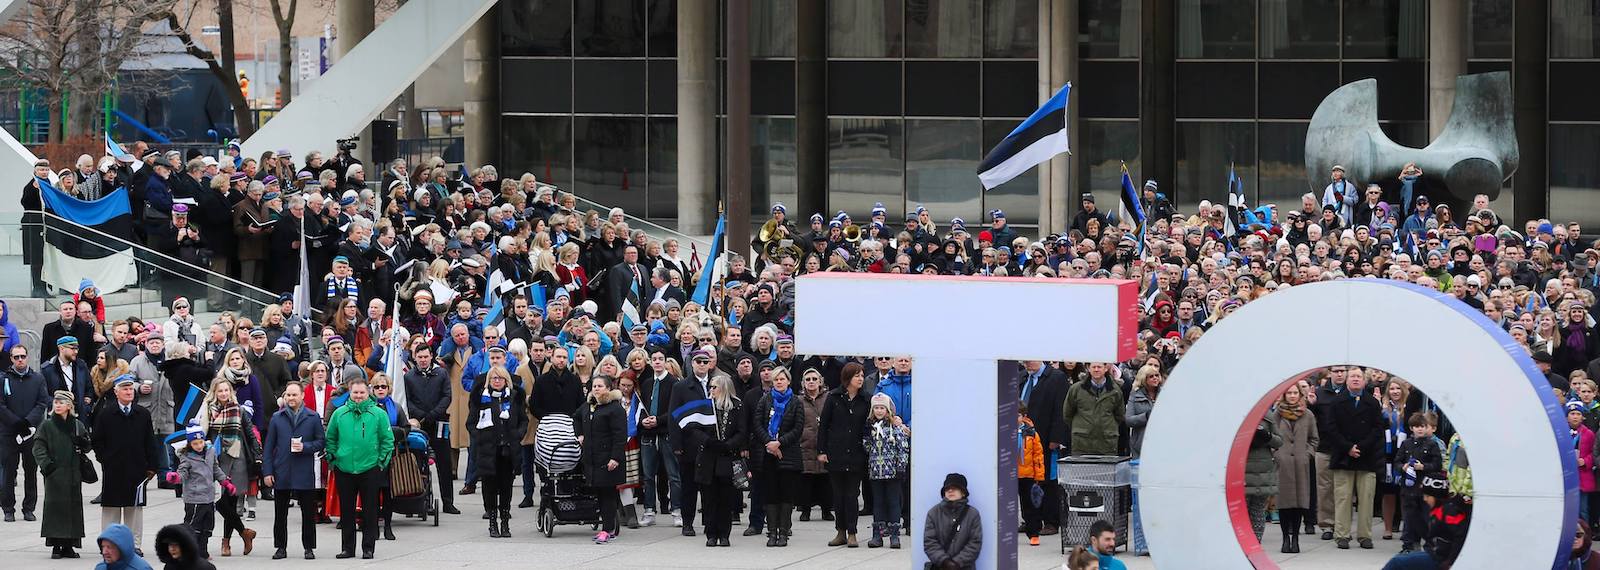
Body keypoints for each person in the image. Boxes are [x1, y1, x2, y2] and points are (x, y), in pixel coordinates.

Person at [92, 374, 163, 557]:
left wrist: (152, 466)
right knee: (111, 509)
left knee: (134, 510)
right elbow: (97, 441)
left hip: (137, 469)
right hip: (114, 468)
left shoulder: (142, 414)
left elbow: (150, 442)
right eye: (125, 389)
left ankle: (134, 545)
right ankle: (109, 545)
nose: (129, 392)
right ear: (116, 392)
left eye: (131, 389)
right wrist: (105, 459)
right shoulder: (106, 413)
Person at [325, 378, 393, 559]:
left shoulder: (378, 414)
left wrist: (380, 464)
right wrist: (333, 458)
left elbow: (387, 441)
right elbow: (330, 438)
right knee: (346, 511)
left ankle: (368, 548)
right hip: (344, 468)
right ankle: (348, 548)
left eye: (362, 393)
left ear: (367, 393)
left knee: (370, 511)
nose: (358, 396)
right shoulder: (339, 414)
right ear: (350, 392)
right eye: (355, 392)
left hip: (369, 468)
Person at [261, 381, 326, 560]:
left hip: (304, 471)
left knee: (307, 513)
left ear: (302, 396)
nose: (291, 398)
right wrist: (267, 472)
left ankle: (309, 547)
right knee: (280, 513)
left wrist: (305, 446)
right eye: (288, 395)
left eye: (294, 395)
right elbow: (268, 447)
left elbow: (321, 442)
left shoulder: (312, 417)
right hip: (282, 471)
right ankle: (280, 547)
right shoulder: (277, 417)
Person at [197, 377, 258, 557]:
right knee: (219, 502)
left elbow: (249, 433)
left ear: (230, 392)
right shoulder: (208, 410)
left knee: (230, 502)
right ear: (214, 393)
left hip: (237, 457)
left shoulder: (239, 410)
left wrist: (258, 455)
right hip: (216, 459)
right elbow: (201, 433)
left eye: (226, 390)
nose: (223, 394)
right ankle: (244, 532)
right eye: (220, 391)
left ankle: (226, 543)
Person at [1327, 366, 1384, 550]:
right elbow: (1331, 429)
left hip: (1366, 458)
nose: (1355, 379)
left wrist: (1361, 447)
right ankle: (1342, 535)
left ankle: (1365, 536)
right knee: (1343, 498)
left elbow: (1377, 429)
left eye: (1359, 376)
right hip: (1343, 457)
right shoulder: (1336, 402)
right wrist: (1348, 448)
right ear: (1346, 379)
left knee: (1367, 499)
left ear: (1364, 380)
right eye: (1352, 376)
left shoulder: (1373, 403)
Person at [468, 365, 527, 539]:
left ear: (506, 380)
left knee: (506, 488)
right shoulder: (481, 399)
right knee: (489, 488)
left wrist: (517, 434)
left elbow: (523, 420)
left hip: (507, 450)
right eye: (494, 378)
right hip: (488, 450)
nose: (497, 381)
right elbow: (471, 422)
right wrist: (479, 436)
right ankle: (492, 522)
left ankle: (505, 523)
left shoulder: (514, 397)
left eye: (500, 378)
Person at [402, 343, 459, 515]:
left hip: (440, 422)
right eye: (420, 357)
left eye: (426, 356)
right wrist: (421, 415)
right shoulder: (409, 377)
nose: (423, 360)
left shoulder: (441, 373)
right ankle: (419, 502)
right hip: (419, 425)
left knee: (444, 464)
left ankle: (448, 502)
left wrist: (434, 413)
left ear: (431, 355)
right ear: (415, 358)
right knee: (418, 464)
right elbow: (407, 400)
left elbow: (447, 396)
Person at [819, 361, 870, 548]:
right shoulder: (833, 397)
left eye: (862, 376)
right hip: (836, 453)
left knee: (852, 495)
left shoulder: (866, 399)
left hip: (856, 454)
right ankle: (840, 531)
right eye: (857, 375)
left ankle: (852, 532)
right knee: (838, 495)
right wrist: (821, 450)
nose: (860, 379)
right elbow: (824, 425)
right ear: (847, 378)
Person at [690, 375, 745, 548]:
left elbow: (742, 431)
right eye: (710, 387)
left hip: (727, 457)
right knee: (709, 498)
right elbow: (695, 429)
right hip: (708, 456)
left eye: (715, 387)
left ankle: (724, 534)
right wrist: (708, 441)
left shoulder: (737, 406)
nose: (711, 390)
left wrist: (728, 444)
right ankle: (711, 533)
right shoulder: (705, 407)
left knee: (725, 498)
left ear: (724, 387)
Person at [752, 367, 804, 547]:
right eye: (776, 380)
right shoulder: (765, 400)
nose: (779, 382)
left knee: (786, 495)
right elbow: (757, 424)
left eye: (782, 379)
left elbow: (798, 428)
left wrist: (779, 443)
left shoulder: (796, 402)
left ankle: (783, 532)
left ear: (788, 381)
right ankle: (772, 532)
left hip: (788, 455)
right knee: (771, 495)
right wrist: (769, 443)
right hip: (767, 455)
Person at [33, 389, 87, 559]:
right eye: (56, 402)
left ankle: (70, 546)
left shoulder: (78, 425)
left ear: (69, 406)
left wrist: (84, 443)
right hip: (54, 474)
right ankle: (56, 545)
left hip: (73, 473)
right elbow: (38, 447)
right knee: (54, 508)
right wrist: (47, 466)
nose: (57, 405)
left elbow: (87, 444)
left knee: (73, 509)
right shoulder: (47, 425)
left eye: (61, 402)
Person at [0, 343, 50, 522]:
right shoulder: (3, 378)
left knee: (31, 470)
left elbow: (42, 403)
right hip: (9, 432)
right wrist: (16, 422)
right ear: (11, 359)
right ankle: (8, 508)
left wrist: (28, 422)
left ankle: (29, 508)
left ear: (27, 357)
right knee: (9, 471)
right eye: (16, 357)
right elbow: (1, 405)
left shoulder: (38, 379)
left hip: (30, 432)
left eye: (23, 356)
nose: (20, 360)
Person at [575, 374, 626, 544]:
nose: (596, 389)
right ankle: (608, 526)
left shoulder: (614, 408)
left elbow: (620, 436)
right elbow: (576, 417)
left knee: (608, 495)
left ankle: (607, 529)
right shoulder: (588, 406)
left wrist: (615, 458)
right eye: (594, 386)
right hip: (592, 459)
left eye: (599, 386)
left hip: (608, 459)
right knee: (600, 494)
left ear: (608, 388)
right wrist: (580, 434)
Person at [166, 421, 223, 560]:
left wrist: (225, 481)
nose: (199, 446)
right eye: (195, 443)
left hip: (209, 497)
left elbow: (215, 469)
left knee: (207, 527)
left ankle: (202, 551)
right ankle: (189, 551)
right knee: (192, 527)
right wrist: (176, 477)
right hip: (194, 498)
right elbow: (183, 473)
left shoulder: (210, 452)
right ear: (190, 444)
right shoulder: (187, 457)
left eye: (201, 442)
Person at [1273, 382, 1318, 554]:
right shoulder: (1276, 414)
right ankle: (1285, 538)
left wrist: (1307, 455)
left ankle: (1296, 539)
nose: (1292, 396)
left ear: (1300, 395)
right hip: (1283, 463)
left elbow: (1314, 439)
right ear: (1284, 395)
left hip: (1300, 463)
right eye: (1289, 393)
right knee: (1284, 504)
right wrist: (1276, 453)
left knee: (1299, 504)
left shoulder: (1308, 415)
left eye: (1295, 393)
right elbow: (1271, 437)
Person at [864, 392, 910, 549]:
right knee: (878, 502)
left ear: (888, 410)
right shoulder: (870, 427)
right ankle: (877, 534)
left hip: (893, 472)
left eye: (882, 408)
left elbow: (903, 447)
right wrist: (866, 436)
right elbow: (867, 448)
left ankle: (895, 534)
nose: (879, 411)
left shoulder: (895, 428)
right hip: (876, 471)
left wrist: (901, 466)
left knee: (893, 502)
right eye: (876, 408)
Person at [1395, 412, 1444, 553]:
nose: (1420, 429)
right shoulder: (1406, 444)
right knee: (1409, 518)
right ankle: (1408, 545)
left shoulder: (1432, 444)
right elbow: (1397, 461)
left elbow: (1437, 465)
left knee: (1426, 517)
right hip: (1408, 488)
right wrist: (1403, 467)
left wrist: (1423, 467)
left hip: (1425, 488)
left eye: (1422, 426)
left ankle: (1429, 545)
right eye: (1417, 426)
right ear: (1411, 428)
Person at [922, 472, 982, 570]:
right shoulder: (933, 513)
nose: (950, 490)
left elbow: (975, 543)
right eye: (947, 488)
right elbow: (929, 542)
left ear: (963, 492)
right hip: (940, 567)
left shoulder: (973, 514)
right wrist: (945, 562)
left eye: (955, 487)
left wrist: (957, 563)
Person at [1062, 362, 1125, 455]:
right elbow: (1067, 414)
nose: (1096, 369)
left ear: (1105, 368)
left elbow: (1119, 415)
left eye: (1099, 367)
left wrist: (1107, 428)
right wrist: (1080, 427)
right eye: (1093, 367)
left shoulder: (1115, 391)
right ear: (1088, 368)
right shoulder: (1076, 389)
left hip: (1107, 443)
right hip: (1082, 444)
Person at [1245, 413, 1282, 541]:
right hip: (1242, 471)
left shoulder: (1267, 416)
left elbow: (1279, 442)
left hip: (1263, 473)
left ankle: (1256, 544)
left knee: (1258, 512)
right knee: (1242, 514)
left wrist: (1267, 436)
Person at [1017, 402, 1046, 547]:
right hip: (1010, 475)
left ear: (1024, 416)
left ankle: (1033, 533)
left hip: (1027, 475)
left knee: (1030, 505)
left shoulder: (1031, 433)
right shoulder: (1003, 432)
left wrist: (1039, 476)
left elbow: (1038, 456)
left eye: (1017, 415)